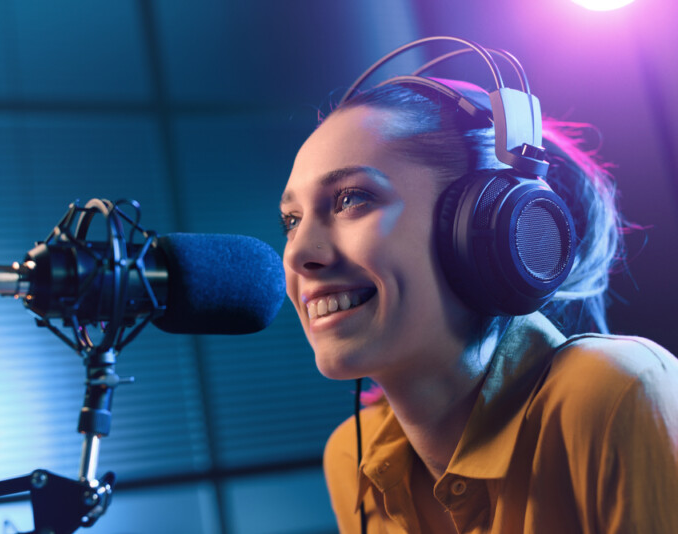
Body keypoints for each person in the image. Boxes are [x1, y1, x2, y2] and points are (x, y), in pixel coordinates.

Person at [278, 38, 678, 533]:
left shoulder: (617, 396)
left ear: (483, 224)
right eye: (291, 221)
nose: (296, 254)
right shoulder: (350, 457)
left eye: (350, 199)